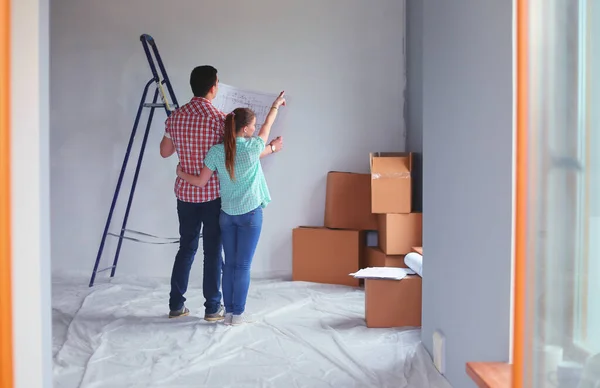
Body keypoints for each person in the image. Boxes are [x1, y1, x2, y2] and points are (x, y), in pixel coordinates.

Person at [159, 66, 283, 320]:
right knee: (213, 252)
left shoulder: (176, 117)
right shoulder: (218, 118)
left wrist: (183, 163)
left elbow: (165, 151)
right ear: (213, 87)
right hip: (214, 196)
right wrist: (270, 147)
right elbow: (241, 153)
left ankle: (175, 304)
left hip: (185, 194)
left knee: (186, 247)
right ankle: (213, 308)